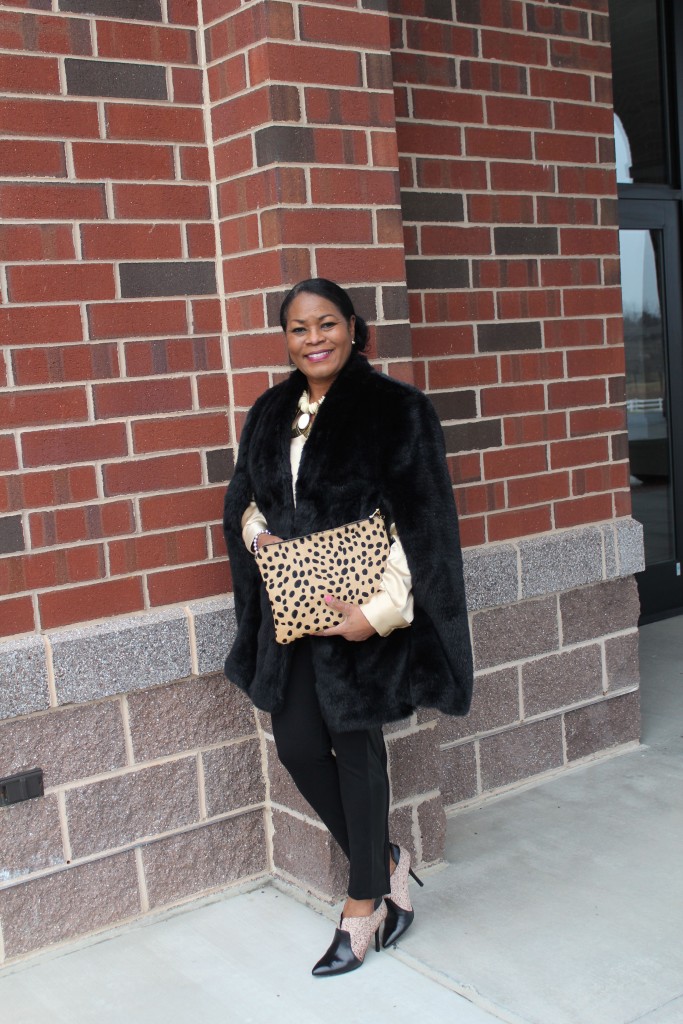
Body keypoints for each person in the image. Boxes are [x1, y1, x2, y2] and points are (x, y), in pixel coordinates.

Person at [223, 278, 473, 976]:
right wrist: (259, 538)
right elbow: (245, 494)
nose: (314, 339)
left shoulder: (397, 410)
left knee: (358, 751)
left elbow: (420, 523)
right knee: (298, 744)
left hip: (363, 613)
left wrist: (379, 614)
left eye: (327, 324)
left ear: (353, 327)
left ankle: (362, 903)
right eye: (299, 329)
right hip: (292, 611)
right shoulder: (270, 411)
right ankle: (388, 859)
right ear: (286, 339)